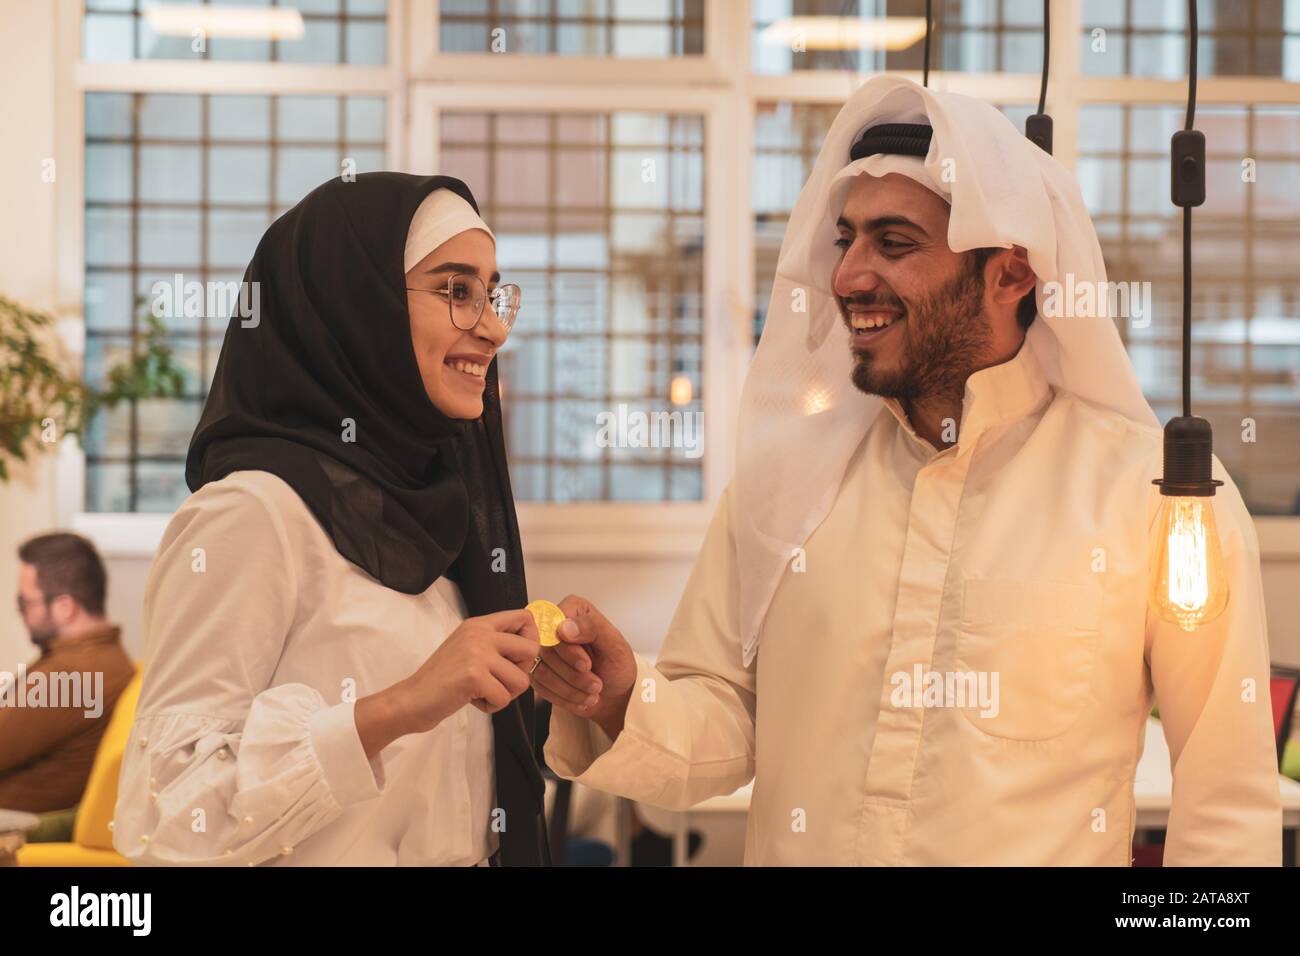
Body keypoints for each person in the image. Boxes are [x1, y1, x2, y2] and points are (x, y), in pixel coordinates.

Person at [532, 76, 1283, 865]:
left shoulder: (1156, 498)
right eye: (846, 239)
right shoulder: (790, 483)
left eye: (894, 243)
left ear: (1011, 273)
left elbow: (1227, 810)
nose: (850, 276)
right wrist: (621, 700)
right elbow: (727, 718)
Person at [113, 173, 548, 866]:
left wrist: (561, 692)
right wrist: (395, 707)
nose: (492, 327)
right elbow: (165, 814)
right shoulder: (253, 515)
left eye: (493, 294)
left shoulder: (437, 509)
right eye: (456, 291)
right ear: (356, 304)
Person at [1, 532, 134, 813]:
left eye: (25, 602)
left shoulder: (70, 677)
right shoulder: (107, 660)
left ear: (64, 607)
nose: (20, 612)